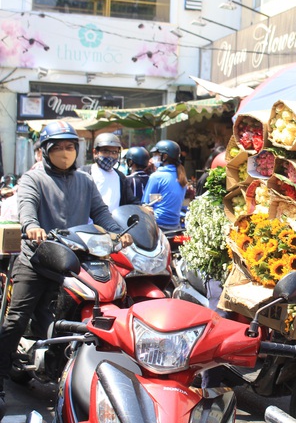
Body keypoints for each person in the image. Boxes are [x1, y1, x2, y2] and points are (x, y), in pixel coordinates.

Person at [0, 121, 133, 418]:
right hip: (37, 260)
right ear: (45, 151)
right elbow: (28, 209)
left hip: (73, 263)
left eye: (70, 147)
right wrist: (32, 227)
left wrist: (118, 232)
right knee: (16, 320)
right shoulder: (32, 179)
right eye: (58, 147)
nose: (65, 152)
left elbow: (100, 213)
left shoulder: (84, 180)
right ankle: (0, 380)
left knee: (74, 319)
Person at [80, 132, 139, 211]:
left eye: (114, 152)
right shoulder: (84, 173)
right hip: (89, 222)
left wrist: (142, 206)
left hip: (113, 222)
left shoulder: (120, 177)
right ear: (95, 152)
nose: (110, 156)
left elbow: (130, 200)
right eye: (106, 151)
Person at [142, 140, 187, 231]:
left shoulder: (157, 176)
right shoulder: (182, 176)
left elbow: (145, 204)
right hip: (175, 225)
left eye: (156, 155)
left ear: (165, 156)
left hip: (158, 225)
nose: (154, 158)